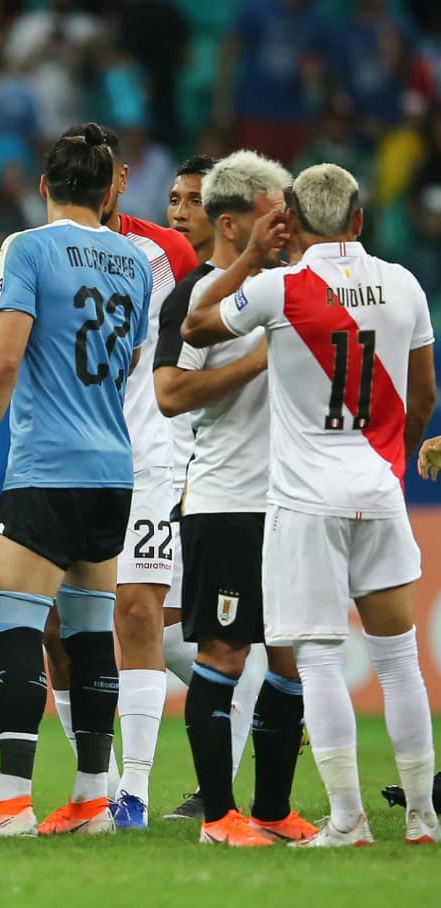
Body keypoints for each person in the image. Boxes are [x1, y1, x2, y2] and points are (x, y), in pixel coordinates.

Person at [182, 163, 439, 847]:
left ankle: (348, 819)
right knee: (399, 660)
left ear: (288, 222)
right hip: (380, 492)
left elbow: (196, 326)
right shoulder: (405, 285)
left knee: (320, 660)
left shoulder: (277, 287)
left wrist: (241, 258)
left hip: (303, 501)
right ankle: (420, 817)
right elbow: (421, 398)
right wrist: (391, 461)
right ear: (358, 220)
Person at [0, 124, 151, 839]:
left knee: (15, 627)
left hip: (48, 467)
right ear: (108, 189)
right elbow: (122, 364)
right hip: (111, 468)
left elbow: (3, 360)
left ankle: (10, 801)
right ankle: (93, 797)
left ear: (43, 188)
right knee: (92, 635)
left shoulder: (27, 248)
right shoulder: (136, 261)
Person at [153, 150, 316, 846]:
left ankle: (273, 813)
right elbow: (168, 395)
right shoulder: (196, 298)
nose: (288, 223)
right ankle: (218, 818)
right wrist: (257, 360)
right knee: (222, 654)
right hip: (225, 502)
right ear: (233, 220)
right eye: (273, 210)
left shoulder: (290, 290)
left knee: (288, 658)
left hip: (292, 502)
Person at [41, 123, 197, 829]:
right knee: (55, 625)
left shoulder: (167, 251)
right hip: (61, 457)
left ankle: (131, 789)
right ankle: (93, 783)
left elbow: (177, 360)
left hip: (145, 454)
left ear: (117, 178)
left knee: (137, 610)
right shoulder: (32, 250)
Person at [168, 154, 216, 262]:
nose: (179, 214)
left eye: (196, 202)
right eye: (174, 201)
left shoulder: (252, 278)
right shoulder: (149, 274)